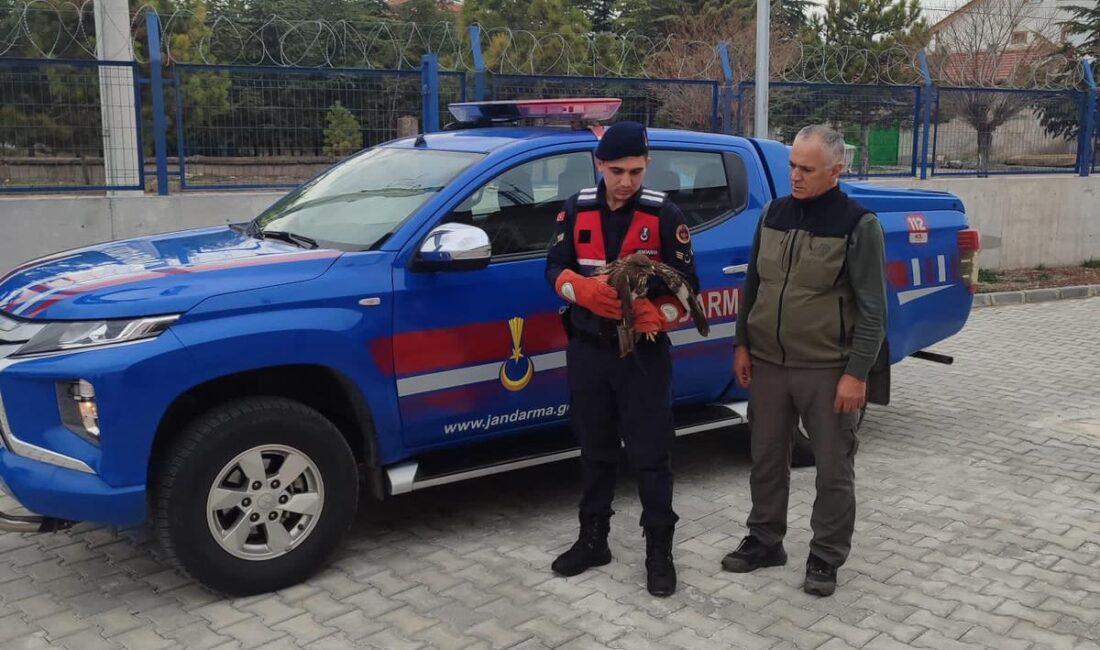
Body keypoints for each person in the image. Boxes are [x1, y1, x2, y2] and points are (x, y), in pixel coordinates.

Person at [721, 125, 887, 597]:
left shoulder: (859, 225)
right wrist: (742, 344)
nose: (795, 175)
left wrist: (857, 374)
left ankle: (825, 558)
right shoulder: (773, 214)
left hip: (828, 370)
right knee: (766, 459)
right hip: (770, 365)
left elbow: (874, 309)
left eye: (807, 169)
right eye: (792, 165)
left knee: (833, 468)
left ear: (836, 171)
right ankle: (764, 541)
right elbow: (753, 285)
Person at [545, 121, 700, 597]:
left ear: (647, 166)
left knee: (652, 458)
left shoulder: (663, 214)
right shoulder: (576, 209)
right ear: (599, 165)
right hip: (589, 352)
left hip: (644, 359)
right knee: (594, 453)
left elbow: (690, 287)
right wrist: (581, 289)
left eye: (635, 170)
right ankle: (594, 540)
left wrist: (662, 313)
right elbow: (553, 267)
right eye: (616, 170)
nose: (626, 181)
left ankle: (660, 552)